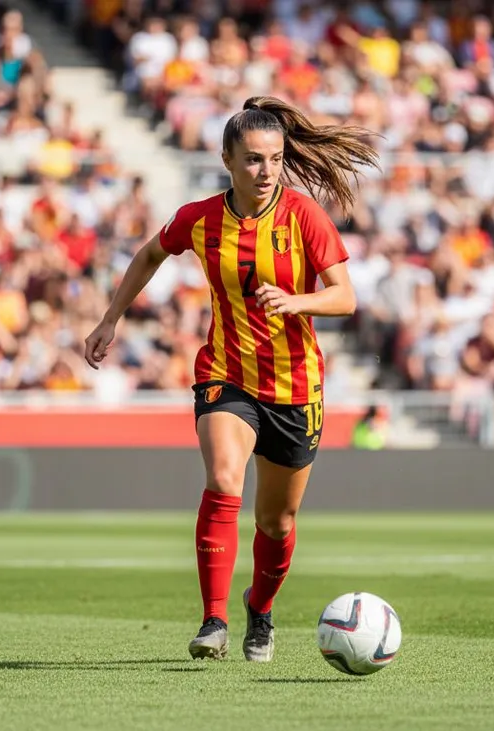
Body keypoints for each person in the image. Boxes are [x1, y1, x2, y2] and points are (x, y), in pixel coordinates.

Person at [83, 96, 380, 662]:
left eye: (275, 159)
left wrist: (296, 301)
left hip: (295, 387)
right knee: (223, 479)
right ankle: (213, 620)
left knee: (277, 521)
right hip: (227, 373)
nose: (266, 172)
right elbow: (149, 254)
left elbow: (344, 297)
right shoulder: (200, 219)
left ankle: (259, 609)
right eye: (253, 159)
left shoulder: (302, 216)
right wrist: (110, 318)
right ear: (227, 160)